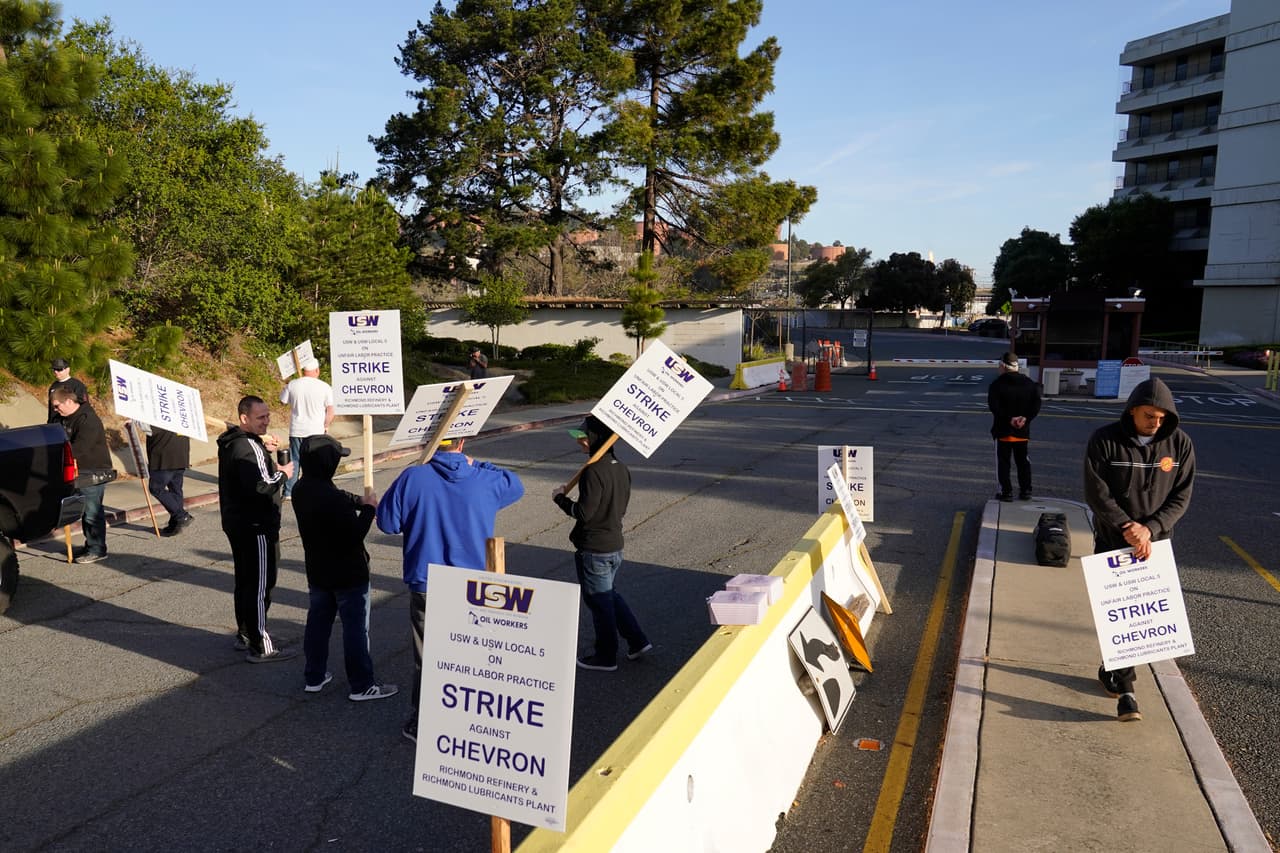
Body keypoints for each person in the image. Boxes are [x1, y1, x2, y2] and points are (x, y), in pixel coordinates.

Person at [377, 437, 523, 742]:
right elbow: (515, 485)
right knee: (472, 653)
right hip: (475, 585)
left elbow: (388, 523)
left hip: (427, 581)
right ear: (463, 441)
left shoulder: (413, 477)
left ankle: (424, 720)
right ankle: (469, 719)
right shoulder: (485, 478)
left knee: (429, 654)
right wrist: (478, 463)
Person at [1084, 377, 1195, 723]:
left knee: (1141, 619)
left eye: (1162, 417)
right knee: (1117, 615)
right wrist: (1126, 527)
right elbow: (1096, 492)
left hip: (1155, 545)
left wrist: (1150, 529)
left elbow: (1182, 495)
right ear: (1133, 410)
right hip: (1114, 541)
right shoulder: (1104, 440)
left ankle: (1117, 676)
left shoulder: (1180, 445)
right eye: (1150, 416)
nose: (1156, 423)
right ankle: (1126, 689)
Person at [292, 435, 398, 701]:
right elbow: (354, 535)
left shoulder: (301, 489)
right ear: (327, 462)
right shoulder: (331, 499)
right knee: (355, 630)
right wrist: (370, 510)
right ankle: (362, 685)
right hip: (349, 574)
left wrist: (357, 502)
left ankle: (314, 676)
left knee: (318, 624)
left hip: (318, 571)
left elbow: (338, 497)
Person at [552, 415, 651, 673]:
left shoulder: (593, 471)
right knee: (609, 596)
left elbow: (583, 513)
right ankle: (637, 640)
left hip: (594, 549)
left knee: (599, 602)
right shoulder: (621, 468)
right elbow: (622, 506)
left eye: (584, 436)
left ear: (596, 437)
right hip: (614, 544)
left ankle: (606, 655)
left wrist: (560, 499)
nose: (580, 442)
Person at [217, 395, 296, 663]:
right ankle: (261, 643)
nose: (266, 422)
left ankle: (246, 633)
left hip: (237, 521)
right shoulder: (247, 447)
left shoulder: (232, 442)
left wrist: (264, 449)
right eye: (260, 417)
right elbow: (263, 484)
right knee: (261, 583)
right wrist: (284, 472)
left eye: (267, 416)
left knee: (245, 580)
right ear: (244, 418)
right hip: (256, 524)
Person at [50, 388, 113, 564]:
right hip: (75, 472)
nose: (56, 409)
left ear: (69, 401)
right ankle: (91, 544)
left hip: (92, 472)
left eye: (57, 406)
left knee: (92, 513)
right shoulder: (61, 419)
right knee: (85, 511)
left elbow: (80, 448)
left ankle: (97, 549)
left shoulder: (88, 420)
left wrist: (61, 455)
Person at [987, 352, 1041, 501]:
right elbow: (1036, 404)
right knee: (1023, 461)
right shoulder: (1030, 384)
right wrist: (1025, 418)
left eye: (999, 365)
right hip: (1022, 431)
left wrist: (1009, 419)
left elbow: (994, 407)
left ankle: (1006, 492)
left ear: (1003, 366)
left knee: (1003, 462)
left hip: (1003, 430)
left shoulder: (997, 385)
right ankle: (1025, 491)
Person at [279, 357, 334, 500]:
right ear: (317, 370)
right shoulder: (324, 387)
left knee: (295, 460)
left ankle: (289, 491)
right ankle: (314, 490)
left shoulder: (293, 384)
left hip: (297, 429)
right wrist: (326, 425)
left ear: (303, 371)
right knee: (315, 462)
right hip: (316, 431)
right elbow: (330, 411)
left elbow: (283, 400)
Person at [142, 423, 195, 536]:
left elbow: (148, 429)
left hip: (164, 457)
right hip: (181, 454)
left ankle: (181, 516)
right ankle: (175, 524)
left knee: (156, 488)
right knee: (175, 489)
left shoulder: (157, 413)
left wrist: (134, 421)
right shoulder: (178, 411)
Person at [48, 357, 89, 423]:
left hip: (69, 424)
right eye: (54, 369)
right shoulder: (54, 385)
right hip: (53, 423)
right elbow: (51, 407)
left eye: (59, 369)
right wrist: (50, 421)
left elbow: (84, 406)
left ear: (68, 369)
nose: (56, 372)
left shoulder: (78, 385)